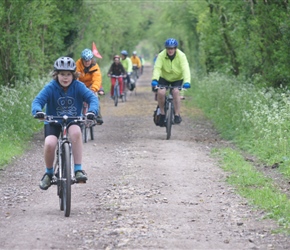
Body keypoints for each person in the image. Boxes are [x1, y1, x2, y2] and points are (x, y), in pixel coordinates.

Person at [32, 57, 99, 190]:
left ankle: (78, 169)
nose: (65, 78)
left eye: (68, 74)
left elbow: (92, 98)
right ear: (56, 75)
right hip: (53, 120)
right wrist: (38, 111)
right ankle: (49, 173)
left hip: (73, 119)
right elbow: (37, 101)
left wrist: (92, 111)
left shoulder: (78, 86)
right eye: (62, 74)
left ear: (73, 75)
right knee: (50, 143)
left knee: (76, 133)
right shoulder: (51, 87)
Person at [151, 38, 191, 126]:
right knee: (161, 92)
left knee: (176, 92)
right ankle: (162, 113)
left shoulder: (181, 55)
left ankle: (177, 114)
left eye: (172, 48)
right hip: (164, 77)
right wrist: (155, 79)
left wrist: (187, 81)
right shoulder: (161, 55)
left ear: (175, 48)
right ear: (166, 48)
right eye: (168, 48)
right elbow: (157, 68)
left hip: (177, 78)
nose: (170, 50)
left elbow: (185, 69)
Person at [76, 48, 104, 125]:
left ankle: (98, 115)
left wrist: (94, 89)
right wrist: (77, 88)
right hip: (80, 84)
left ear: (91, 59)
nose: (87, 62)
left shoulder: (95, 66)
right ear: (82, 60)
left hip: (90, 85)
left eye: (88, 60)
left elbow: (97, 79)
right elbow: (75, 77)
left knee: (95, 97)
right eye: (85, 60)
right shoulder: (78, 64)